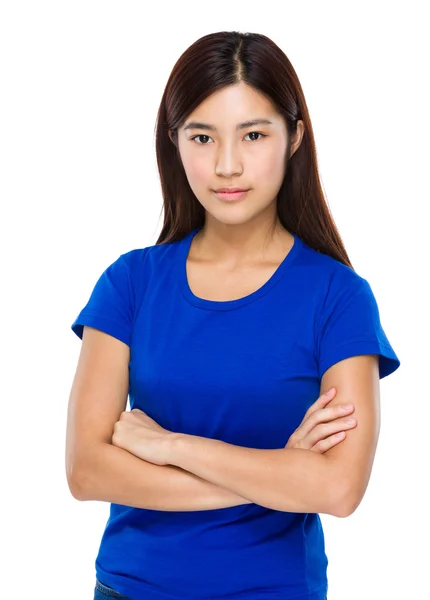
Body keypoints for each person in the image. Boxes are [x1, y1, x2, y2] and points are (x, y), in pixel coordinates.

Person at [66, 31, 401, 600]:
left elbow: (339, 488)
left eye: (253, 134)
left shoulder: (338, 297)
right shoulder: (131, 283)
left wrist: (171, 446)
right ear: (174, 142)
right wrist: (280, 474)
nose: (226, 164)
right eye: (202, 136)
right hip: (130, 589)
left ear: (295, 137)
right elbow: (86, 471)